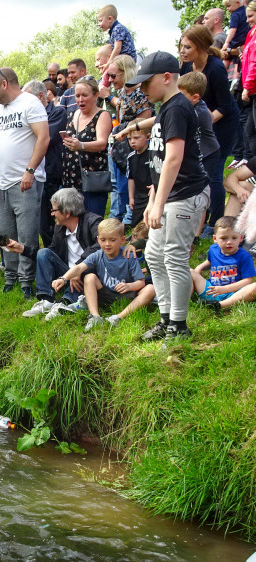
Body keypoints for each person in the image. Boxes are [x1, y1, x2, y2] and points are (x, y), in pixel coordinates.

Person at [126, 51, 211, 341]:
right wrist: (153, 200)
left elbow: (174, 158)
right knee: (152, 253)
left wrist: (159, 203)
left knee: (174, 257)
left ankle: (179, 326)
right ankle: (166, 318)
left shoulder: (177, 108)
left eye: (146, 83)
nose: (142, 89)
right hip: (168, 195)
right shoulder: (165, 108)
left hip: (186, 193)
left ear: (165, 78)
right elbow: (159, 163)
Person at [0, 66, 50, 298]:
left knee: (26, 234)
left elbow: (44, 137)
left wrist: (30, 170)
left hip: (26, 182)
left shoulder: (31, 103)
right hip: (3, 183)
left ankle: (26, 281)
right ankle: (10, 277)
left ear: (4, 84)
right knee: (5, 233)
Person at [179, 25, 239, 234]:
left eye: (187, 47)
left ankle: (216, 221)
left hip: (222, 123)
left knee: (213, 170)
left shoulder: (215, 68)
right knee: (199, 169)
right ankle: (199, 217)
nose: (182, 51)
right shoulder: (186, 67)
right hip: (200, 121)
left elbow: (225, 106)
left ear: (202, 47)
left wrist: (200, 123)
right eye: (181, 46)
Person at [51, 219, 153, 331]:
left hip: (127, 295)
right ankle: (95, 316)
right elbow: (80, 267)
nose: (107, 244)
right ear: (98, 240)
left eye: (112, 240)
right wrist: (64, 278)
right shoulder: (98, 255)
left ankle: (118, 317)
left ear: (122, 240)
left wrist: (129, 286)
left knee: (150, 289)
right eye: (103, 240)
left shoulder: (128, 256)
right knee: (89, 277)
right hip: (105, 295)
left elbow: (141, 282)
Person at [13, 188, 102, 316]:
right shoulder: (59, 228)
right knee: (44, 253)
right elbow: (51, 253)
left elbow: (101, 246)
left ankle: (65, 303)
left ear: (67, 213)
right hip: (67, 274)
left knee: (85, 274)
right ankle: (47, 300)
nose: (51, 214)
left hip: (89, 273)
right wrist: (22, 249)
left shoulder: (93, 222)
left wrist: (78, 268)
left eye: (54, 210)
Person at [100, 54, 154, 223]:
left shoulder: (141, 93)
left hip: (133, 143)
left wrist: (131, 136)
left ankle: (128, 216)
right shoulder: (123, 92)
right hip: (118, 143)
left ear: (126, 73)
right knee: (116, 183)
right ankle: (116, 215)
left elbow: (144, 122)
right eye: (109, 75)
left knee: (128, 180)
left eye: (113, 75)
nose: (110, 79)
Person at [23, 79, 67, 246]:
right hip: (36, 176)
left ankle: (58, 258)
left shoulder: (57, 113)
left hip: (51, 176)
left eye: (27, 98)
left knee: (53, 222)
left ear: (40, 96)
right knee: (42, 224)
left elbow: (43, 139)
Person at [61, 76, 113, 217]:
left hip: (92, 180)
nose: (80, 99)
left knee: (91, 223)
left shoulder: (103, 115)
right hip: (70, 179)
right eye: (77, 96)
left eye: (85, 95)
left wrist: (81, 145)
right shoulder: (72, 114)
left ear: (96, 95)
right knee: (72, 224)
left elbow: (102, 144)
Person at [177, 71, 222, 236]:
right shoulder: (193, 106)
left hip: (209, 153)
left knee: (203, 190)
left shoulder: (198, 112)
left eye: (181, 95)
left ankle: (199, 232)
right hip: (198, 154)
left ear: (195, 97)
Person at [191, 216, 256, 311]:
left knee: (254, 287)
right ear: (215, 238)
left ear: (241, 238)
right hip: (211, 290)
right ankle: (184, 301)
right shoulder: (213, 249)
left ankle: (219, 305)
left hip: (234, 294)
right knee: (188, 272)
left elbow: (248, 280)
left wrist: (224, 289)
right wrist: (199, 268)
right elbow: (209, 261)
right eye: (224, 238)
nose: (229, 242)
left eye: (234, 238)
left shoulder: (244, 256)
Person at [126, 119, 154, 228]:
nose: (132, 141)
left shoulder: (153, 154)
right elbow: (131, 178)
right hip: (139, 196)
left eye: (136, 138)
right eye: (129, 139)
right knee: (136, 225)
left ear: (148, 137)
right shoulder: (130, 157)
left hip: (151, 195)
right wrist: (131, 197)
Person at [97, 4, 137, 72]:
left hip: (127, 59)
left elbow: (117, 48)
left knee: (109, 70)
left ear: (110, 19)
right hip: (123, 59)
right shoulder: (114, 30)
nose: (99, 24)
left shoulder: (117, 28)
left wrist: (108, 64)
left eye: (100, 20)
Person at [241, 2, 256, 159]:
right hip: (253, 89)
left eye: (251, 16)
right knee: (250, 130)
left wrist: (247, 86)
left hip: (253, 88)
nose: (247, 20)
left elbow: (255, 63)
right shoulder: (251, 33)